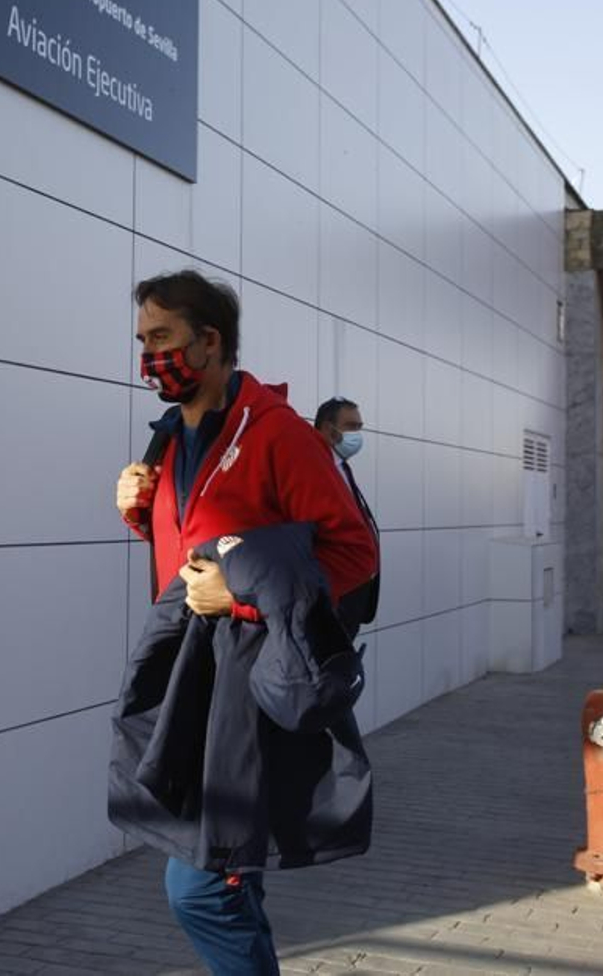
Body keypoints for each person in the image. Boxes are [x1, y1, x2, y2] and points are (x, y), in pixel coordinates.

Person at [114, 271, 377, 974]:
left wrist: (241, 598)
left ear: (211, 341)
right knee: (229, 873)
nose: (149, 355)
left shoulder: (280, 436)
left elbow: (354, 553)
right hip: (195, 679)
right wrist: (139, 511)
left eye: (162, 337)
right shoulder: (171, 437)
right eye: (142, 340)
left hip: (249, 681)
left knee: (203, 886)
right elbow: (193, 553)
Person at [314, 397, 379, 635]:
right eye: (351, 427)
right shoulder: (315, 470)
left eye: (359, 427)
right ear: (328, 429)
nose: (357, 435)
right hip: (333, 597)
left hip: (352, 595)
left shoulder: (341, 466)